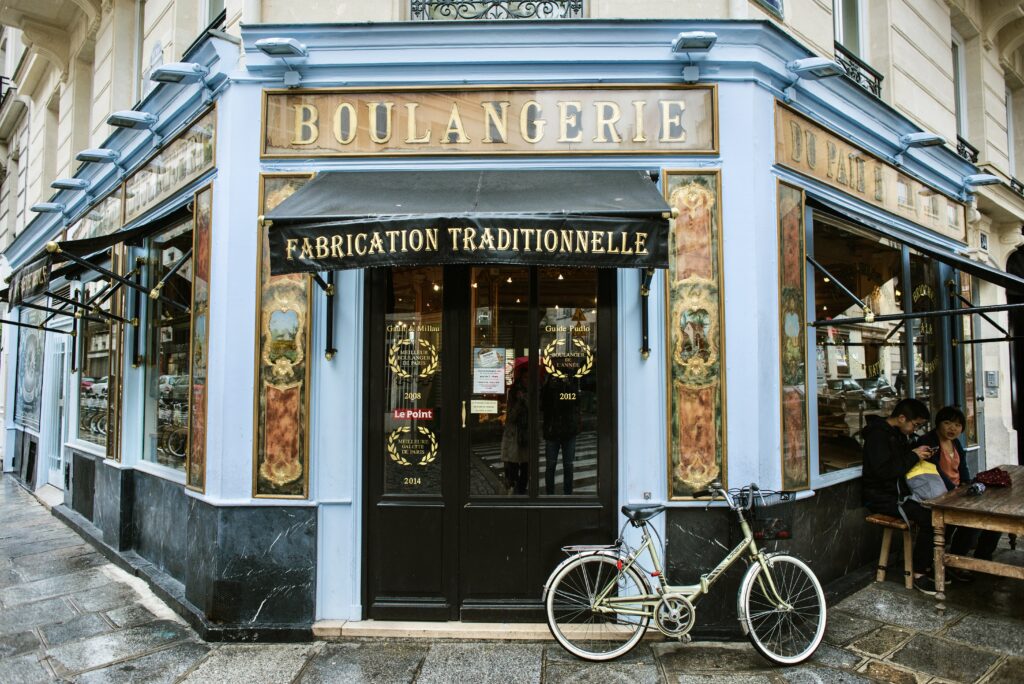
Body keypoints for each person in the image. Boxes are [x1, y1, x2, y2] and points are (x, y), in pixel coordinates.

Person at [861, 398, 937, 594]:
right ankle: (919, 573)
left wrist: (916, 452)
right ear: (902, 418)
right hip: (881, 497)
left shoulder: (897, 435)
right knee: (929, 519)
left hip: (898, 493)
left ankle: (928, 564)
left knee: (936, 510)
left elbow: (900, 462)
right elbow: (884, 471)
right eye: (915, 424)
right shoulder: (877, 436)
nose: (915, 429)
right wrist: (913, 456)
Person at [914, 406, 1001, 578]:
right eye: (947, 423)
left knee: (984, 515)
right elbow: (934, 471)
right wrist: (955, 491)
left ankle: (960, 559)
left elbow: (962, 467)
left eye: (957, 425)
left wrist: (967, 485)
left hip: (954, 492)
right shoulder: (928, 441)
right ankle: (949, 562)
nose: (952, 428)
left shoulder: (955, 442)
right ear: (938, 424)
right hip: (935, 493)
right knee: (966, 517)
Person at [541, 374, 581, 495]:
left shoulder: (570, 382)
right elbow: (543, 403)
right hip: (554, 429)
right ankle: (550, 494)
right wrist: (549, 385)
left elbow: (577, 401)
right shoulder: (549, 384)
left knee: (567, 466)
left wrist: (568, 385)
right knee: (551, 465)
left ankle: (567, 494)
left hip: (566, 430)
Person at [500, 358, 530, 495]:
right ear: (520, 377)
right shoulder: (513, 393)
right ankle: (514, 486)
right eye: (525, 377)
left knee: (526, 465)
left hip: (527, 434)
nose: (527, 380)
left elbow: (536, 412)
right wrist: (519, 401)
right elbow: (511, 417)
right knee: (513, 464)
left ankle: (521, 490)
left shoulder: (534, 392)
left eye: (529, 378)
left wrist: (526, 400)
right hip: (514, 435)